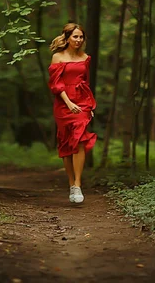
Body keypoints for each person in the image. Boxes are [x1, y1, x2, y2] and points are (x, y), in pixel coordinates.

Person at [48, 23, 97, 203]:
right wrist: (68, 103)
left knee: (80, 140)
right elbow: (55, 84)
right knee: (67, 144)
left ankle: (77, 185)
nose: (78, 40)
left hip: (82, 102)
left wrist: (90, 106)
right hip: (64, 103)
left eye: (81, 37)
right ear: (67, 37)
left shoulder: (85, 58)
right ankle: (71, 184)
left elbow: (87, 82)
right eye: (75, 36)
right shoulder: (57, 57)